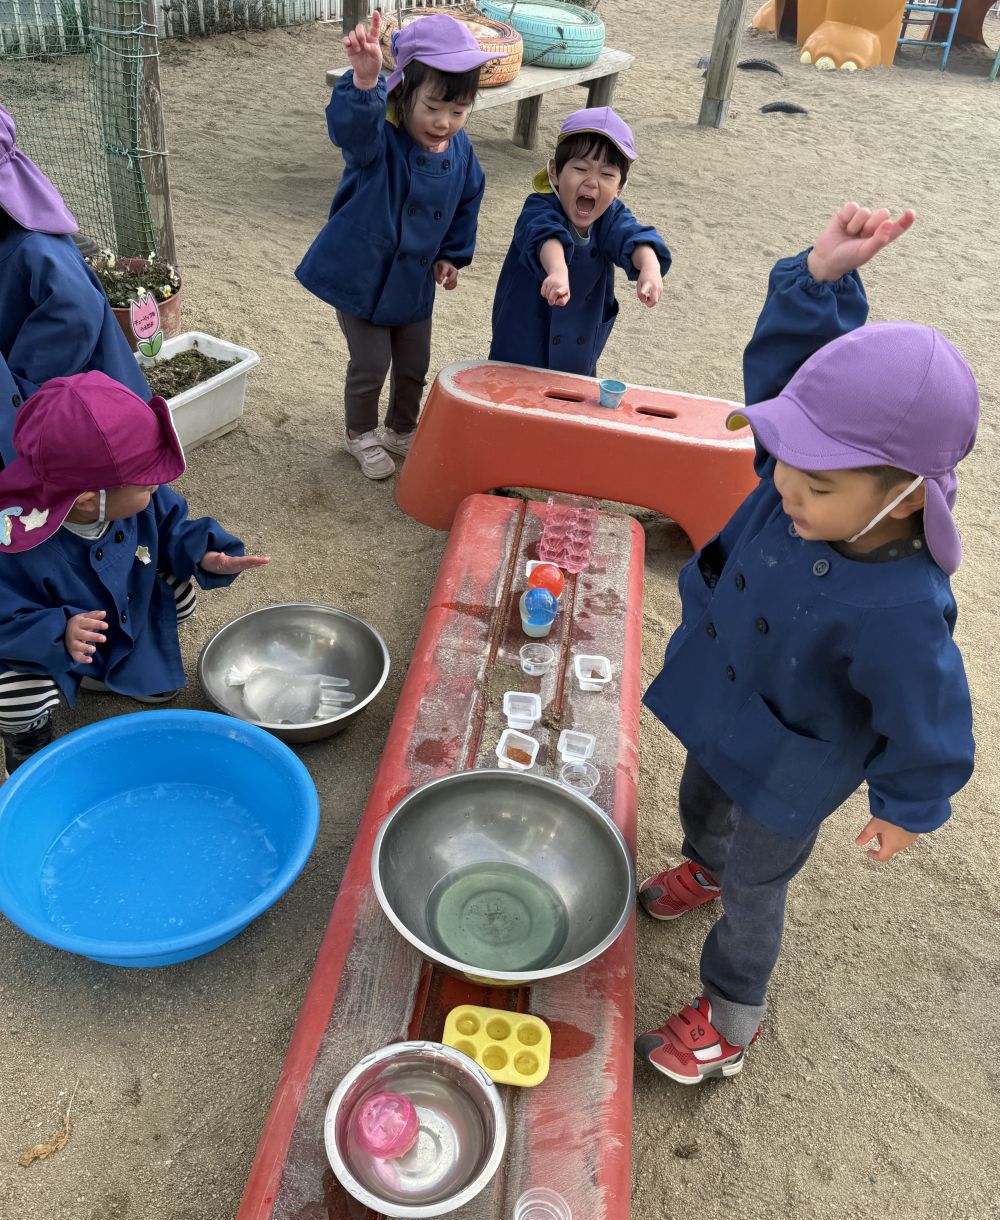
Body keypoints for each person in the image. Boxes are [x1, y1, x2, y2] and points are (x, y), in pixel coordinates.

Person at [635, 203, 976, 1084]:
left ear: (902, 499)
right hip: (727, 702)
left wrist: (910, 806)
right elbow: (795, 377)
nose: (781, 483)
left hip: (794, 762)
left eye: (813, 479)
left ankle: (731, 1014)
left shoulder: (902, 604)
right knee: (701, 794)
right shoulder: (808, 484)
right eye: (782, 458)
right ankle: (699, 865)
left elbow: (929, 714)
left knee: (758, 884)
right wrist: (816, 281)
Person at [0, 372, 268, 774]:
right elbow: (6, 621)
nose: (159, 485)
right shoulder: (15, 540)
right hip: (53, 643)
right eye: (146, 483)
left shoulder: (132, 496)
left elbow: (172, 525)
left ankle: (121, 671)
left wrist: (204, 553)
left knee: (179, 592)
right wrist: (58, 633)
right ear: (90, 501)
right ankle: (27, 738)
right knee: (13, 693)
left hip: (120, 613)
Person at [296, 12, 493, 480]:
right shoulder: (380, 138)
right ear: (402, 93)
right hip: (362, 272)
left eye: (458, 111)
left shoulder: (461, 151)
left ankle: (400, 429)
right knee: (371, 362)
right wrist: (364, 84)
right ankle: (359, 433)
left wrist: (451, 254)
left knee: (414, 363)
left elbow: (468, 200)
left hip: (414, 278)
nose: (444, 122)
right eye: (432, 107)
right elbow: (351, 132)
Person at [0, 103, 152, 468]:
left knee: (108, 494)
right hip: (53, 407)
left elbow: (77, 311)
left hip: (89, 411)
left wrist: (22, 388)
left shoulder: (35, 247)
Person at [489, 107, 671, 377]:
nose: (592, 182)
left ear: (620, 187)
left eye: (607, 174)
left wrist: (650, 268)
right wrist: (558, 270)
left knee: (569, 406)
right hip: (522, 344)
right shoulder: (539, 207)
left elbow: (633, 236)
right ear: (555, 172)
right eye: (581, 168)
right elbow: (545, 235)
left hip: (577, 353)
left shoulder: (611, 217)